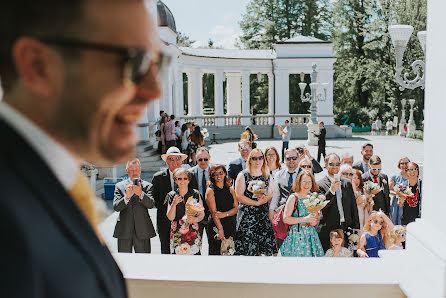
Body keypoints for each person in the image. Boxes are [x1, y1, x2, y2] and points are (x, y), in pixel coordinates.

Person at [0, 1, 165, 296]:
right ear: (38, 66)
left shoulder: (51, 183)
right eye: (134, 62)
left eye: (157, 63)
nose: (154, 91)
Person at [234, 149, 277, 256]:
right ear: (250, 160)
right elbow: (239, 195)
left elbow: (272, 193)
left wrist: (264, 198)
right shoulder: (243, 175)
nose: (258, 161)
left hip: (263, 216)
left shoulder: (267, 175)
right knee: (249, 250)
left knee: (265, 251)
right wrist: (255, 203)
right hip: (248, 217)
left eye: (260, 158)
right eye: (254, 158)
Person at [317, 153, 360, 252]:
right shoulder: (320, 184)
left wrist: (356, 227)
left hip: (346, 228)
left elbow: (353, 206)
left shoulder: (347, 183)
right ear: (326, 165)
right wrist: (331, 191)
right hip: (328, 229)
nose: (335, 166)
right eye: (332, 164)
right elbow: (321, 207)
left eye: (337, 164)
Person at [113, 159, 156, 253]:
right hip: (124, 230)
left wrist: (141, 194)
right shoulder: (119, 186)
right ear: (126, 171)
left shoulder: (147, 186)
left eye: (136, 169)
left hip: (143, 229)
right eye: (131, 170)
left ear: (140, 170)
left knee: (144, 261)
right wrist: (126, 197)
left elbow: (151, 205)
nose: (134, 172)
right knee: (124, 261)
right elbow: (116, 207)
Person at [280, 171, 324, 257]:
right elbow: (285, 219)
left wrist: (314, 219)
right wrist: (304, 219)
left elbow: (314, 222)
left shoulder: (313, 197)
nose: (307, 184)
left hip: (311, 236)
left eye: (309, 182)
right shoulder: (293, 197)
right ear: (299, 182)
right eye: (304, 181)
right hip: (296, 236)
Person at [152, 147, 188, 254]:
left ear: (181, 160)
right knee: (166, 252)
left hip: (184, 222)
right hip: (165, 223)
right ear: (167, 161)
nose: (175, 162)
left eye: (177, 159)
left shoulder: (188, 176)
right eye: (171, 159)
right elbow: (156, 201)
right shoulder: (158, 178)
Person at [166, 168, 205, 255]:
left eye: (185, 178)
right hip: (177, 232)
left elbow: (201, 214)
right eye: (179, 178)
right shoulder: (172, 195)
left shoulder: (195, 194)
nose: (182, 181)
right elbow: (170, 217)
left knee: (194, 258)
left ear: (189, 180)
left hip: (192, 231)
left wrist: (196, 219)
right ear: (175, 181)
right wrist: (174, 204)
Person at [269, 148, 299, 248]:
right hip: (281, 215)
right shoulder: (278, 174)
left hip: (298, 215)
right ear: (284, 160)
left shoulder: (305, 174)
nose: (291, 161)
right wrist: (272, 210)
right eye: (288, 158)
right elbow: (276, 195)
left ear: (298, 158)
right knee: (282, 245)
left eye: (294, 158)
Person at [206, 165, 238, 255]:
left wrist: (225, 214)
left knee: (230, 251)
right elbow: (214, 212)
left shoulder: (231, 189)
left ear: (225, 173)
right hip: (216, 225)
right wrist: (220, 230)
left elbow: (236, 208)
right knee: (216, 253)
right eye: (215, 174)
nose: (218, 176)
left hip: (230, 224)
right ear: (211, 176)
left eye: (221, 173)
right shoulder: (210, 190)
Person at [189, 147, 212, 252]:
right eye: (200, 159)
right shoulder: (189, 173)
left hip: (212, 214)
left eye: (205, 159)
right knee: (195, 246)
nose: (203, 162)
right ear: (196, 159)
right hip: (195, 215)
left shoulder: (215, 172)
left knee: (214, 246)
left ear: (209, 158)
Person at [389, 157, 410, 225]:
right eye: (402, 163)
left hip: (408, 203)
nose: (404, 165)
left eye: (406, 163)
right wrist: (398, 194)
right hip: (396, 203)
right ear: (399, 164)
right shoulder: (395, 176)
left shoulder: (412, 176)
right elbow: (389, 190)